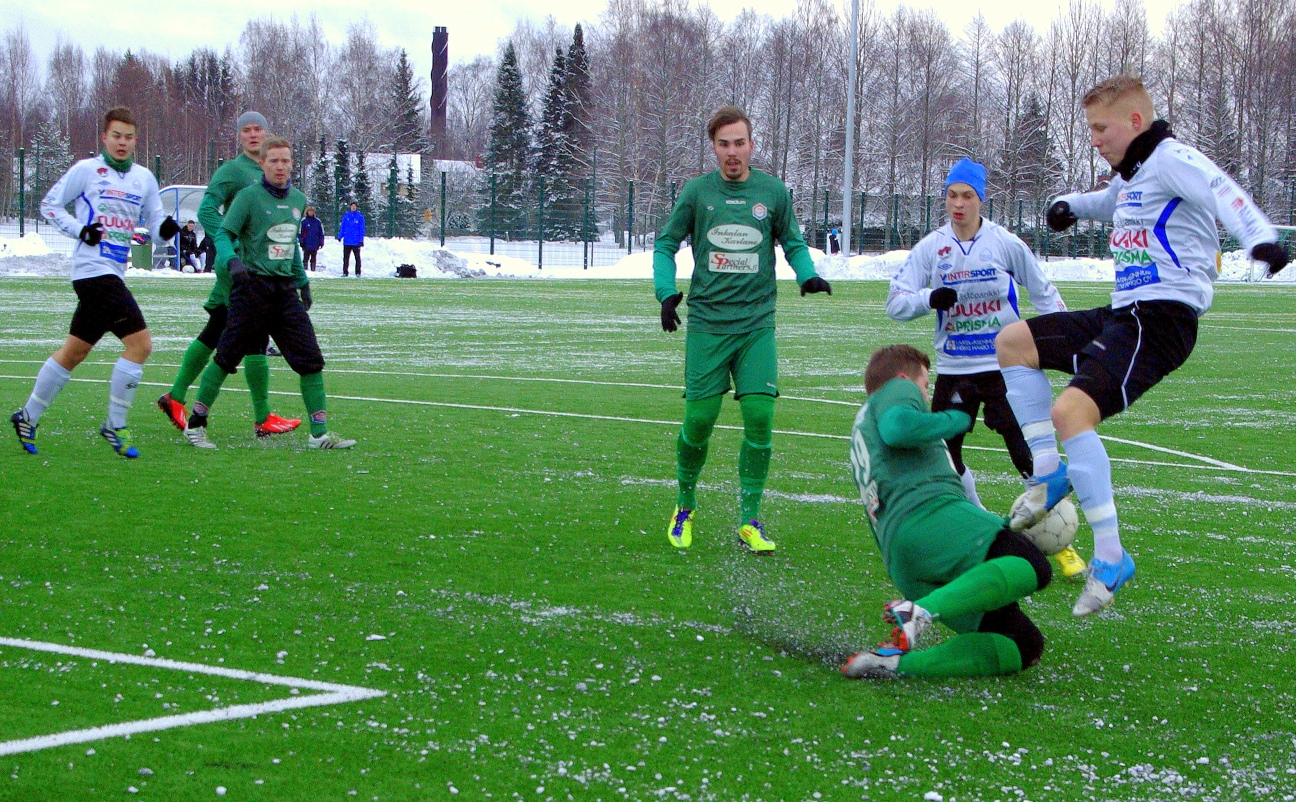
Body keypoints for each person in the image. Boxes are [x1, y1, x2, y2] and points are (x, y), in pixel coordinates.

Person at [996, 75, 1290, 616]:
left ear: (1135, 123)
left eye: (1100, 128)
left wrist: (1260, 237)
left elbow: (1222, 188)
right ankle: (1045, 472)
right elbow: (1113, 202)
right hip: (1124, 313)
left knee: (1071, 413)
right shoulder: (1135, 175)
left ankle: (1110, 557)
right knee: (1013, 342)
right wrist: (1070, 205)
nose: (1094, 139)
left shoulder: (1174, 158)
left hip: (1162, 319)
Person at [886, 157, 1087, 580]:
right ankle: (984, 529)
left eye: (967, 196)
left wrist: (1068, 340)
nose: (958, 204)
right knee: (944, 457)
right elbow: (895, 302)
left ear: (982, 199)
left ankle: (1061, 540)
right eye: (951, 195)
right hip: (955, 370)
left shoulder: (1005, 243)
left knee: (1028, 456)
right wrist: (928, 299)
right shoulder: (932, 248)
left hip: (1004, 369)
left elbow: (1044, 292)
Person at [653, 105, 832, 554]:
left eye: (739, 143)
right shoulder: (698, 193)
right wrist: (665, 291)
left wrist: (806, 273)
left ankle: (750, 519)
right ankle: (684, 505)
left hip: (756, 326)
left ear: (751, 144)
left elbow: (791, 239)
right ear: (713, 148)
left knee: (760, 416)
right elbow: (666, 243)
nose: (732, 152)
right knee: (699, 421)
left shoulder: (772, 192)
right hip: (709, 326)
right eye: (723, 144)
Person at [842, 344, 1053, 679]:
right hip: (929, 518)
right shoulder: (896, 389)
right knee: (1034, 564)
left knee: (1022, 644)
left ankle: (894, 665)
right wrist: (956, 418)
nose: (924, 394)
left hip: (905, 558)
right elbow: (897, 429)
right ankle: (921, 612)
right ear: (904, 378)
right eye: (925, 385)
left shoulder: (863, 425)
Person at [11, 106, 178, 458]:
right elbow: (50, 205)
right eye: (116, 135)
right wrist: (81, 230)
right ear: (104, 137)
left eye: (129, 137)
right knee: (141, 345)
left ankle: (27, 416)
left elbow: (158, 225)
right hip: (92, 273)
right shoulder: (87, 171)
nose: (122, 142)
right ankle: (115, 424)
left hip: (113, 272)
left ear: (136, 141)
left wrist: (166, 231)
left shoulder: (144, 178)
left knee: (75, 352)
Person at [181, 136, 354, 450]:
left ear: (292, 164)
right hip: (251, 290)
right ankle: (195, 425)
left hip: (284, 293)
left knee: (311, 360)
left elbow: (291, 248)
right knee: (225, 358)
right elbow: (223, 233)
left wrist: (303, 283)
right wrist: (231, 260)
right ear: (262, 163)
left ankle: (320, 434)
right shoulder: (247, 198)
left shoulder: (298, 200)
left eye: (285, 160)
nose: (280, 166)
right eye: (273, 160)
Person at [157, 111, 300, 438]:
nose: (253, 134)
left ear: (266, 132)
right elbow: (207, 207)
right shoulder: (234, 171)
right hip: (239, 265)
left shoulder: (267, 169)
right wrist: (228, 242)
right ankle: (261, 416)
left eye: (258, 129)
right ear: (239, 136)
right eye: (246, 130)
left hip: (260, 265)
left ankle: (175, 396)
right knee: (250, 334)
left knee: (218, 328)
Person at [338, 201, 365, 276]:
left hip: (356, 241)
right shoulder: (346, 216)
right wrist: (340, 236)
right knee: (346, 258)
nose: (353, 207)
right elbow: (343, 227)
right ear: (350, 207)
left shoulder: (360, 217)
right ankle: (345, 272)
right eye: (352, 206)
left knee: (357, 258)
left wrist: (361, 240)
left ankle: (358, 272)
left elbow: (361, 229)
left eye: (354, 206)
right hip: (347, 241)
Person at [298, 206, 324, 272]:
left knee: (313, 258)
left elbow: (321, 233)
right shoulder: (303, 221)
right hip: (306, 243)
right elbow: (300, 232)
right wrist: (301, 241)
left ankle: (313, 270)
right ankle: (305, 270)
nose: (311, 212)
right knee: (305, 258)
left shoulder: (318, 221)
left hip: (315, 243)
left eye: (312, 211)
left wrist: (321, 242)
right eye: (310, 211)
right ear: (307, 212)